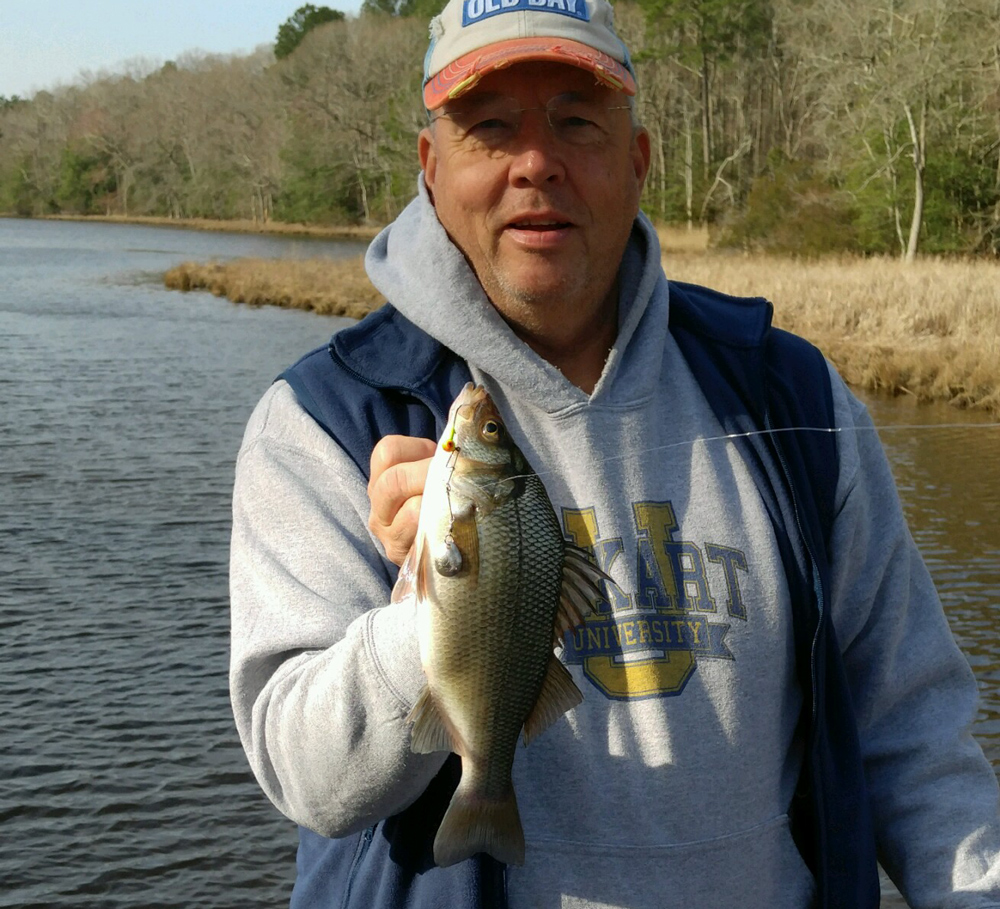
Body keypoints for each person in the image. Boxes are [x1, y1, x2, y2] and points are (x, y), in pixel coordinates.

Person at [229, 0, 1000, 905]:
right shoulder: (326, 417)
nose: (535, 164)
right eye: (490, 128)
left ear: (637, 162)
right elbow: (308, 781)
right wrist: (426, 613)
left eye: (576, 121)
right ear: (431, 170)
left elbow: (914, 734)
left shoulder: (792, 398)